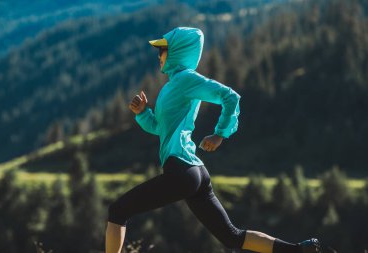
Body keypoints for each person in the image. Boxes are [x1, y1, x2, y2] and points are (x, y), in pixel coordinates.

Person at [106, 27, 322, 253]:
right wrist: (142, 113)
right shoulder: (173, 85)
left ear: (178, 52)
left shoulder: (187, 79)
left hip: (181, 170)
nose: (158, 56)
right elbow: (161, 129)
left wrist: (220, 133)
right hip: (193, 171)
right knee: (233, 237)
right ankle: (299, 250)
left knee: (118, 211)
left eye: (162, 51)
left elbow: (230, 97)